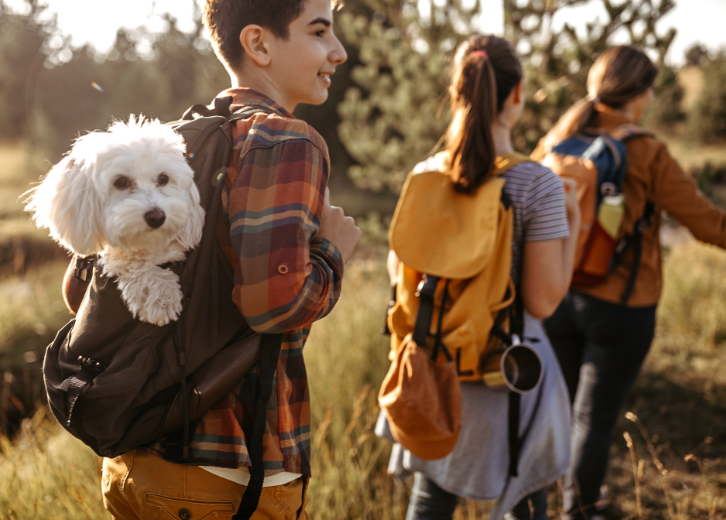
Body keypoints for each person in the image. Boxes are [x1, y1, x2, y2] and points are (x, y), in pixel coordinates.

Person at [100, 0, 360, 518]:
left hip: (136, 462)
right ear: (258, 44)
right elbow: (273, 305)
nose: (339, 51)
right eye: (319, 32)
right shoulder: (289, 139)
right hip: (229, 473)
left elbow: (84, 279)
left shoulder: (172, 141)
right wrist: (333, 252)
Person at [377, 35, 581, 520]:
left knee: (429, 503)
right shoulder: (537, 184)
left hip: (430, 372)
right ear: (517, 93)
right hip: (507, 374)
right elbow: (543, 301)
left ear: (458, 90)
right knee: (526, 502)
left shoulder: (426, 173)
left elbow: (397, 268)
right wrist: (573, 222)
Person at [534, 45, 726, 520]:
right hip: (621, 307)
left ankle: (547, 502)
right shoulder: (646, 151)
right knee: (593, 421)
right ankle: (579, 510)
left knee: (560, 414)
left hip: (555, 295)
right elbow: (705, 224)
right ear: (640, 93)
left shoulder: (557, 140)